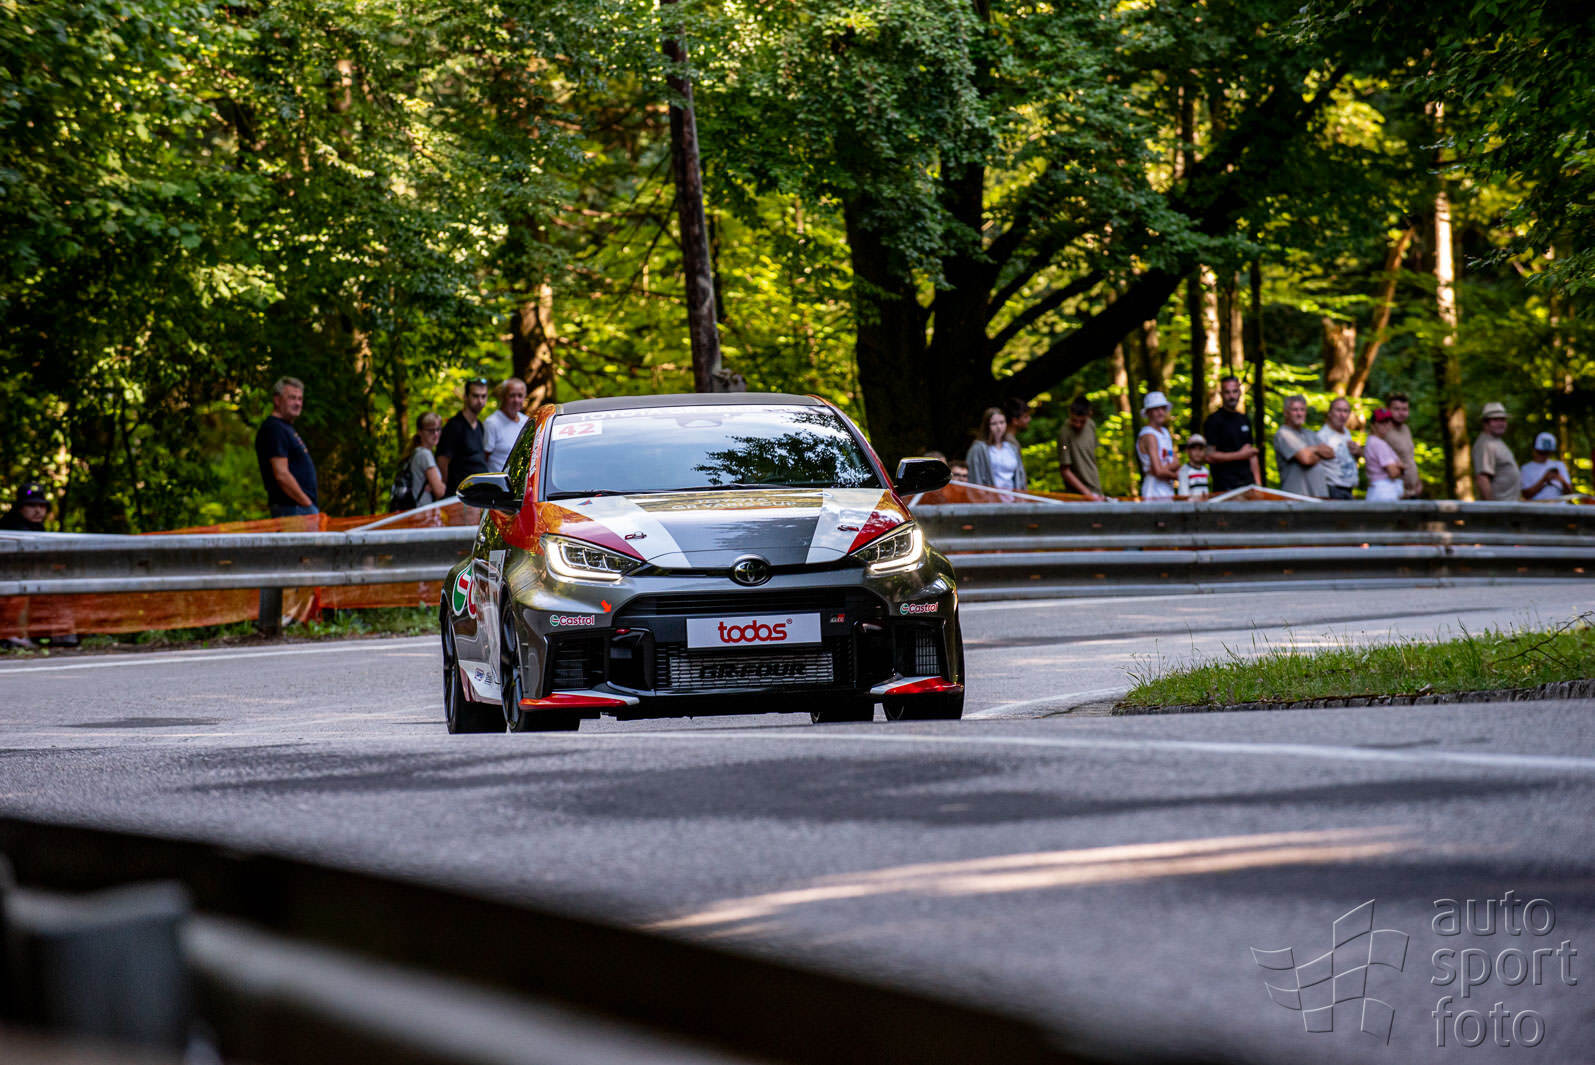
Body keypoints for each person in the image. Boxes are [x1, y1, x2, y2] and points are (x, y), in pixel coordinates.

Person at [254, 376, 318, 517]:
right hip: (292, 508)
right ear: (277, 400)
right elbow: (281, 474)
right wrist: (307, 505)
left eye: (300, 399)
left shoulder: (285, 428)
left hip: (298, 508)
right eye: (292, 398)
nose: (297, 403)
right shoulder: (274, 428)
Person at [1202, 375, 1261, 493]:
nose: (1232, 396)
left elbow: (1251, 454)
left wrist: (1259, 485)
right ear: (1221, 394)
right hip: (1225, 487)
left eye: (1235, 391)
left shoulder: (1244, 419)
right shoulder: (1213, 421)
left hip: (1248, 485)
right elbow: (1209, 456)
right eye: (1227, 392)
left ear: (1240, 393)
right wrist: (1240, 455)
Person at [437, 376, 492, 498]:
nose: (480, 401)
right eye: (475, 396)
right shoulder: (454, 426)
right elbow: (442, 460)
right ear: (465, 397)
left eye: (483, 396)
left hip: (480, 495)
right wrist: (446, 491)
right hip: (459, 496)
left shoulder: (480, 426)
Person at [1272, 395, 1333, 498]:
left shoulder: (1309, 433)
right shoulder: (1284, 433)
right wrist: (1318, 451)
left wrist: (1310, 450)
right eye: (1295, 410)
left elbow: (1330, 453)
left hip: (1319, 496)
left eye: (1302, 410)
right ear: (1286, 413)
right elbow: (1306, 459)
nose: (1299, 413)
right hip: (1297, 497)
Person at [965, 407, 1027, 491]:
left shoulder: (1012, 447)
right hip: (989, 496)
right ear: (987, 426)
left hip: (1012, 496)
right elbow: (974, 477)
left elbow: (1020, 475)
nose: (999, 427)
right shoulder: (978, 448)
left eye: (1002, 422)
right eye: (994, 424)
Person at [1472, 401, 1520, 502]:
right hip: (1499, 506)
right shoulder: (1485, 444)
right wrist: (1492, 507)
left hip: (1508, 505)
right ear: (1485, 423)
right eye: (1495, 420)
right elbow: (1483, 478)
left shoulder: (1497, 441)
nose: (1500, 423)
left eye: (1503, 419)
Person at [1317, 397, 1364, 500]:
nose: (1342, 415)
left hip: (1348, 489)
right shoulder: (1322, 436)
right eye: (1338, 410)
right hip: (1333, 489)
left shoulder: (1346, 432)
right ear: (1330, 413)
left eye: (1346, 411)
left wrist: (1357, 452)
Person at [1057, 397, 1103, 500]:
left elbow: (1091, 458)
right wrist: (1088, 494)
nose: (1077, 425)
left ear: (1089, 414)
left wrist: (1096, 494)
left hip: (1095, 489)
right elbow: (1065, 470)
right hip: (1078, 495)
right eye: (1074, 420)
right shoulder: (1065, 433)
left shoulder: (1091, 425)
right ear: (1070, 413)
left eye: (1082, 421)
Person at [398, 412, 447, 508]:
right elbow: (440, 491)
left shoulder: (416, 452)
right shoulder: (425, 455)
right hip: (424, 511)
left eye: (438, 429)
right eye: (430, 431)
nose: (436, 434)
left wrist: (432, 485)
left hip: (418, 509)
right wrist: (439, 485)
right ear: (420, 432)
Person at [1136, 392, 1178, 500]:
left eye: (1163, 408)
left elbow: (1174, 460)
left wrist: (1163, 469)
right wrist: (1179, 476)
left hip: (1167, 489)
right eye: (1156, 409)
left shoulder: (1165, 433)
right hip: (1153, 490)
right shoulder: (1149, 435)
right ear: (1148, 412)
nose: (1160, 412)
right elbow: (1158, 471)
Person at [482, 377, 530, 471]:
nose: (516, 400)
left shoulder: (527, 422)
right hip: (498, 479)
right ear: (503, 397)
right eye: (512, 395)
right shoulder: (491, 423)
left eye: (520, 396)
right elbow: (483, 459)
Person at [1362, 409, 1405, 502]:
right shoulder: (1378, 443)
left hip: (1379, 490)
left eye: (1389, 422)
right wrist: (1401, 468)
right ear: (1373, 425)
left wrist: (1398, 466)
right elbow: (1393, 472)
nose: (1387, 425)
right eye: (1382, 422)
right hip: (1383, 491)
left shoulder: (1373, 441)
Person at [1385, 392, 1421, 498]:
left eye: (1405, 409)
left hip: (1413, 491)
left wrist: (1418, 481)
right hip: (1395, 490)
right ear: (1388, 409)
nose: (1401, 413)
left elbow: (1409, 458)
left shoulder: (1406, 429)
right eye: (1396, 409)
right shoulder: (1384, 431)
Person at [1520, 432, 1573, 501]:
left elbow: (1569, 493)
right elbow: (1526, 495)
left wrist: (1561, 480)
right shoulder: (1526, 469)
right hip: (1537, 506)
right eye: (1541, 452)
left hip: (1559, 505)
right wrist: (1544, 480)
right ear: (1534, 450)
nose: (1544, 456)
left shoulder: (1559, 465)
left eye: (1547, 453)